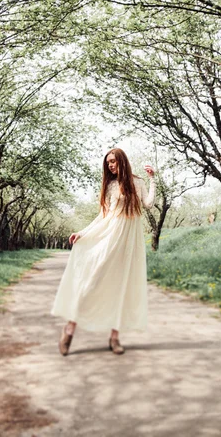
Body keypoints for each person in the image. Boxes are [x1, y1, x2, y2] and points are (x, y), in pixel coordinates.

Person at [50, 147, 156, 356]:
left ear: (122, 162)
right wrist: (82, 232)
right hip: (110, 237)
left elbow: (149, 204)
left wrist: (153, 179)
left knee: (122, 287)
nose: (110, 166)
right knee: (93, 281)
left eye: (113, 162)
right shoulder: (110, 186)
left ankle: (114, 337)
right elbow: (102, 216)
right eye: (108, 163)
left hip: (130, 243)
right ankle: (70, 327)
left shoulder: (138, 182)